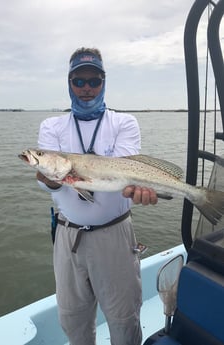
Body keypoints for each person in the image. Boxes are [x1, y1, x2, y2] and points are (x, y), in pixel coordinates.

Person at [37, 47, 158, 345]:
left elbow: (126, 176)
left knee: (123, 318)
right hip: (68, 236)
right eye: (79, 81)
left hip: (114, 234)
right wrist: (51, 179)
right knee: (72, 318)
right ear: (69, 83)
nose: (87, 88)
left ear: (104, 82)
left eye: (94, 80)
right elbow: (49, 184)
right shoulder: (51, 127)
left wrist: (139, 189)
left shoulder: (123, 123)